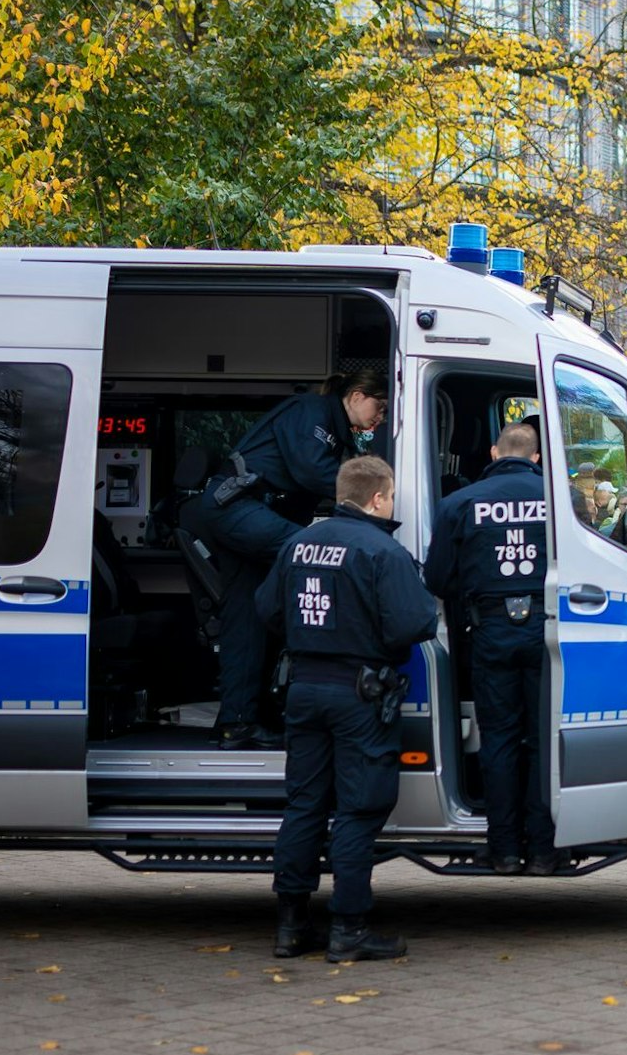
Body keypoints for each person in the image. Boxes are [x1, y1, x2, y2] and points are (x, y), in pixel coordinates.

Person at [256, 456, 439, 962]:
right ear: (378, 498)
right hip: (359, 694)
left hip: (304, 687)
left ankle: (291, 928)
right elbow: (415, 623)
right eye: (392, 495)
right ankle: (349, 930)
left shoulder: (296, 544)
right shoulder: (381, 549)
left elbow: (267, 610)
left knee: (305, 804)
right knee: (358, 810)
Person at [183, 369, 389, 749]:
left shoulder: (335, 431)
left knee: (248, 620)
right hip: (237, 508)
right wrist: (375, 492)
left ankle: (237, 724)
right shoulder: (312, 411)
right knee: (318, 553)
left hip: (251, 514)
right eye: (380, 406)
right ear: (357, 395)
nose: (381, 417)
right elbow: (311, 471)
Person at [422, 423, 556, 876]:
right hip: (547, 632)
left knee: (498, 740)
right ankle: (542, 850)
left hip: (490, 630)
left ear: (495, 452)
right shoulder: (560, 502)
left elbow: (438, 579)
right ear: (536, 458)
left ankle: (504, 850)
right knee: (542, 739)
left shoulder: (457, 504)